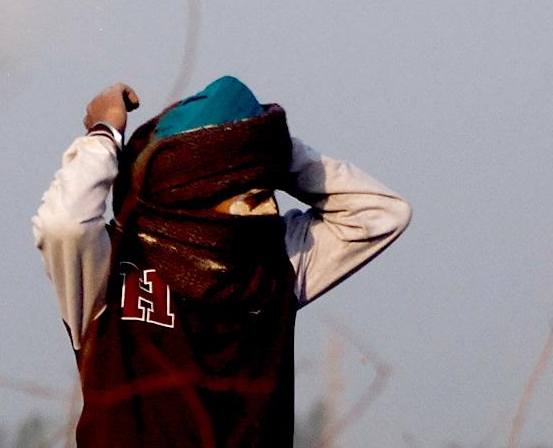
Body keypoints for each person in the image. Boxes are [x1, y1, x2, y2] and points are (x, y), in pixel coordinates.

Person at [32, 76, 411, 447]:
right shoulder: (110, 267)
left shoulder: (275, 266)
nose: (269, 208)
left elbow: (380, 213)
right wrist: (104, 133)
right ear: (197, 192)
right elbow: (63, 224)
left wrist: (267, 145)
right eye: (250, 196)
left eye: (268, 190)